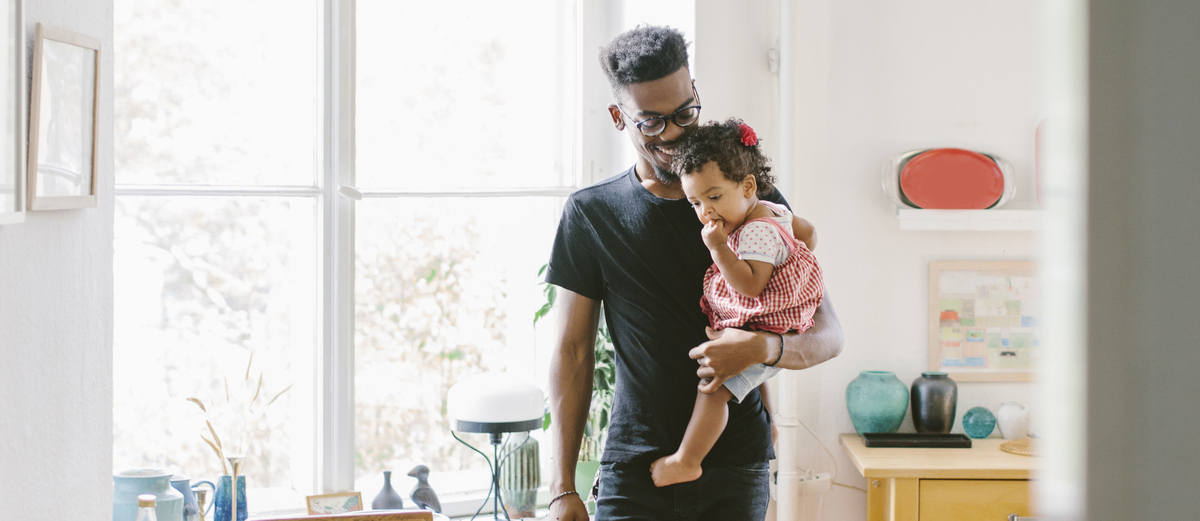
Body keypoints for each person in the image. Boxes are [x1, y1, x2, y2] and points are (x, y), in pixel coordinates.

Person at [545, 25, 843, 521]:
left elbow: (828, 333)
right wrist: (560, 487)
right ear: (620, 118)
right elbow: (572, 353)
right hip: (633, 470)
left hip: (737, 465)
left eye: (685, 113)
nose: (675, 133)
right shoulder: (591, 213)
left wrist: (764, 348)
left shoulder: (752, 203)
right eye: (652, 123)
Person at [649, 119, 824, 488]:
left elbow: (747, 286)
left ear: (747, 186)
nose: (706, 212)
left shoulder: (756, 232)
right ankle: (770, 427)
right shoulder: (771, 212)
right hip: (773, 324)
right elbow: (808, 232)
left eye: (714, 197)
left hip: (764, 323)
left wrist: (718, 248)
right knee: (748, 373)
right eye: (696, 202)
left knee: (716, 388)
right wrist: (793, 253)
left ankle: (687, 460)